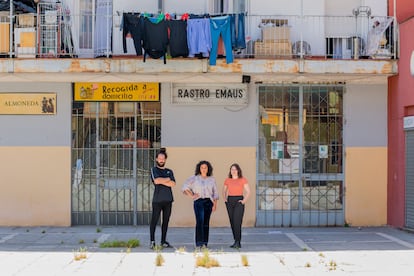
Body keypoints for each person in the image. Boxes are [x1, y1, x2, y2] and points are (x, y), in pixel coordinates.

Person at [182, 160, 219, 249]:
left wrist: (215, 204)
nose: (203, 169)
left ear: (208, 169)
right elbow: (184, 187)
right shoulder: (194, 178)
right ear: (199, 168)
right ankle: (199, 243)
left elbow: (215, 193)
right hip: (198, 202)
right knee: (200, 221)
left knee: (206, 223)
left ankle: (205, 243)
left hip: (208, 202)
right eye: (202, 167)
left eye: (205, 168)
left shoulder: (212, 179)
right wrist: (192, 195)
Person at [149, 148, 176, 249]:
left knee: (166, 221)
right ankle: (152, 241)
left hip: (168, 200)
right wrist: (167, 180)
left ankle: (163, 241)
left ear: (165, 160)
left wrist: (163, 180)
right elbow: (156, 181)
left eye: (163, 158)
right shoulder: (153, 170)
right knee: (154, 221)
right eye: (159, 158)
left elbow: (173, 183)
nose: (161, 160)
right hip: (157, 200)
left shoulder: (169, 171)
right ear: (156, 159)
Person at [222, 163, 250, 249]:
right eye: (232, 169)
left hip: (239, 201)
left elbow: (248, 192)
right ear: (230, 171)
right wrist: (225, 200)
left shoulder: (243, 179)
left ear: (238, 170)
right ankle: (236, 240)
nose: (233, 171)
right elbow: (224, 191)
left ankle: (238, 241)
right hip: (230, 201)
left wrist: (243, 201)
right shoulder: (227, 180)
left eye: (235, 169)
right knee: (232, 222)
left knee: (237, 222)